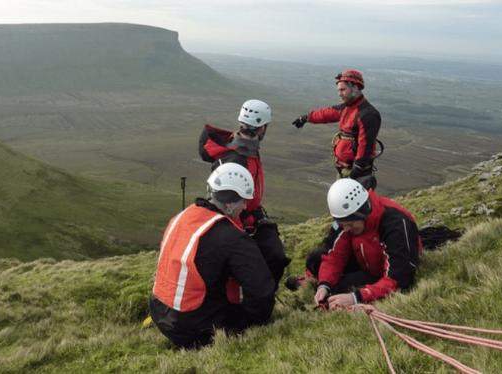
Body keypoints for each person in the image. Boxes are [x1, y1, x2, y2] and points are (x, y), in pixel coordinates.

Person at [149, 163, 276, 349]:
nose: (246, 206)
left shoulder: (182, 217)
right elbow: (261, 293)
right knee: (242, 310)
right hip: (194, 329)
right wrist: (253, 321)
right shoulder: (232, 236)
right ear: (230, 204)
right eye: (244, 201)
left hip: (160, 313)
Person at [198, 99, 291, 289]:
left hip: (249, 216)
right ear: (262, 128)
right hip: (237, 220)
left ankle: (259, 296)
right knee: (269, 258)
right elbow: (228, 205)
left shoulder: (243, 149)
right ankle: (257, 301)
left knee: (274, 255)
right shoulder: (236, 158)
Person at [308, 178, 423, 309]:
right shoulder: (348, 218)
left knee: (345, 292)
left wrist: (357, 297)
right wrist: (324, 285)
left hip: (390, 270)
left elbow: (399, 278)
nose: (345, 229)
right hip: (367, 264)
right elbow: (334, 256)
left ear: (363, 213)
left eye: (350, 224)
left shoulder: (395, 224)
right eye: (342, 224)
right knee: (318, 265)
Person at [291, 69, 382, 190]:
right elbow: (326, 114)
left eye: (343, 90)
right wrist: (306, 118)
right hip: (344, 169)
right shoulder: (347, 108)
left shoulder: (368, 114)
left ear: (355, 87)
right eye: (339, 90)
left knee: (353, 206)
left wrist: (358, 169)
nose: (339, 94)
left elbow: (366, 145)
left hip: (356, 173)